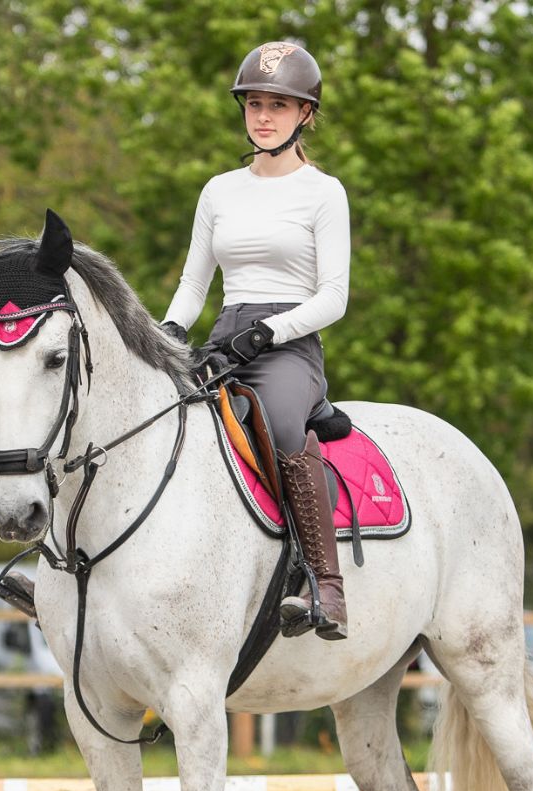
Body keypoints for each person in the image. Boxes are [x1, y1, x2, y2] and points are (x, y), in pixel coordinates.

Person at [161, 41, 351, 641]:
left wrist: (271, 331)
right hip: (224, 334)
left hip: (290, 346)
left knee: (279, 425)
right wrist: (167, 332)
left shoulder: (325, 193)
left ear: (305, 115)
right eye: (254, 104)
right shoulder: (219, 190)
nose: (263, 116)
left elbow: (334, 296)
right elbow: (195, 283)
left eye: (279, 105)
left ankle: (323, 584)